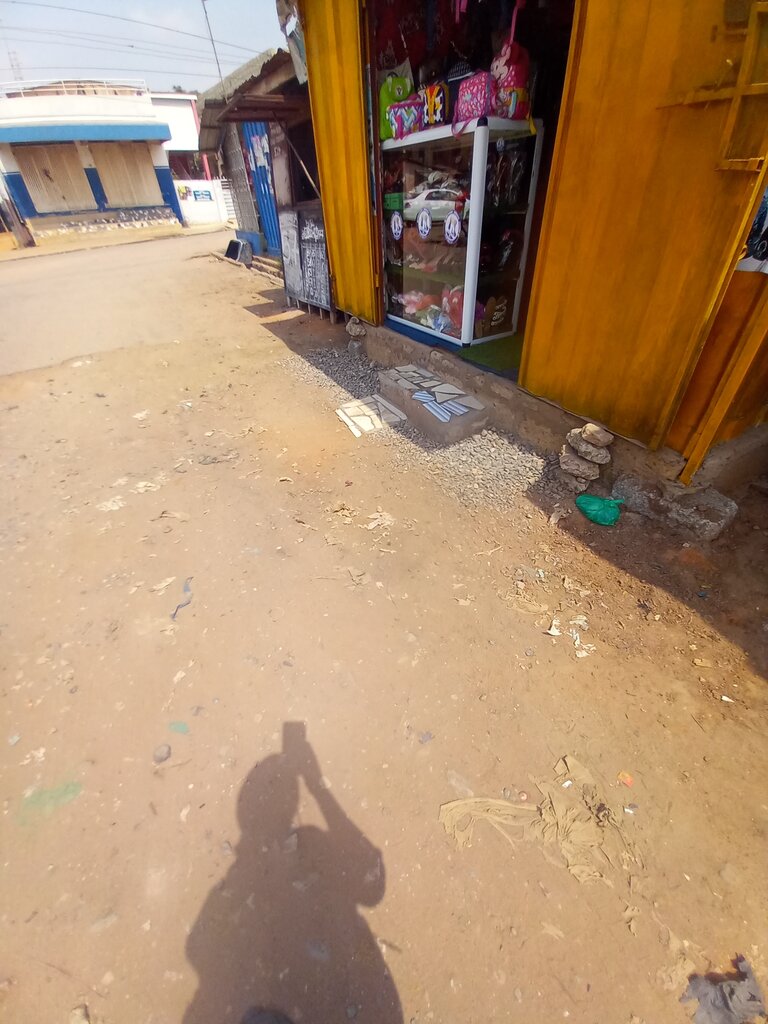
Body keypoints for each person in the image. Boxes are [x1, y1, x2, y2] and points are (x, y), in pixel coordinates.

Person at [183, 725, 402, 1024]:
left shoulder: (232, 890)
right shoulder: (308, 848)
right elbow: (372, 882)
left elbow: (199, 951)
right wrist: (317, 785)